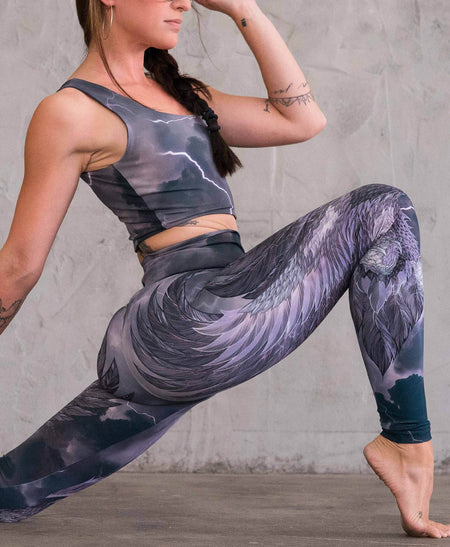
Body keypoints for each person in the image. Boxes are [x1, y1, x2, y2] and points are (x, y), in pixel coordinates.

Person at [0, 0, 448, 538]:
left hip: (218, 312)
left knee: (13, 489)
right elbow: (19, 266)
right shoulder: (69, 111)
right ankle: (407, 440)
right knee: (381, 209)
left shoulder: (184, 96)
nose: (182, 2)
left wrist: (241, 8)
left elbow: (302, 119)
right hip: (180, 320)